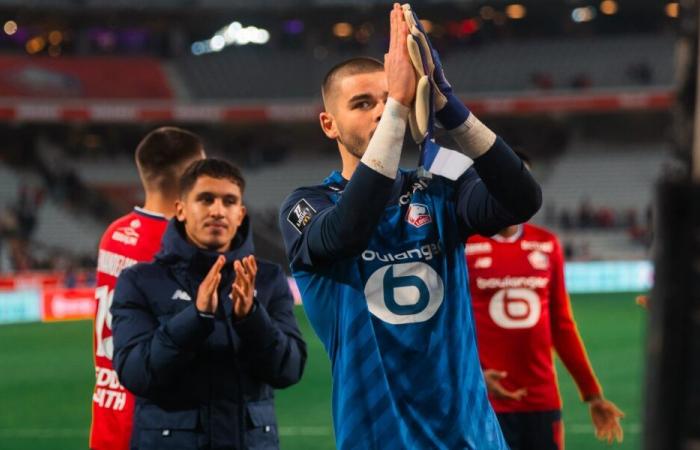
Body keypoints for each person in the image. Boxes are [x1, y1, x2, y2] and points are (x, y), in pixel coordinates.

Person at [278, 5, 541, 449]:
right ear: (330, 124)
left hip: (473, 439)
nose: (380, 111)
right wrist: (399, 108)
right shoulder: (305, 206)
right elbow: (348, 229)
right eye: (363, 104)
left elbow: (521, 200)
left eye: (387, 98)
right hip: (378, 438)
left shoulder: (441, 188)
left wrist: (448, 106)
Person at [111, 158, 306, 450]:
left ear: (240, 214)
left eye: (229, 201)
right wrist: (196, 317)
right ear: (180, 210)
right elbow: (135, 373)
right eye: (205, 199)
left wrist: (252, 318)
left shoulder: (267, 280)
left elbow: (289, 370)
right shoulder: (139, 281)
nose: (217, 210)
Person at [466, 152, 624, 450]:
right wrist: (471, 377)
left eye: (522, 183)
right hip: (485, 400)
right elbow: (452, 327)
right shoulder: (466, 246)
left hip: (541, 400)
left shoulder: (547, 244)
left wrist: (593, 393)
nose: (515, 192)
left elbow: (562, 325)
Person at [90, 126, 206, 450]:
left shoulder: (114, 234)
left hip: (109, 413)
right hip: (157, 425)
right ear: (189, 176)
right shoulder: (178, 245)